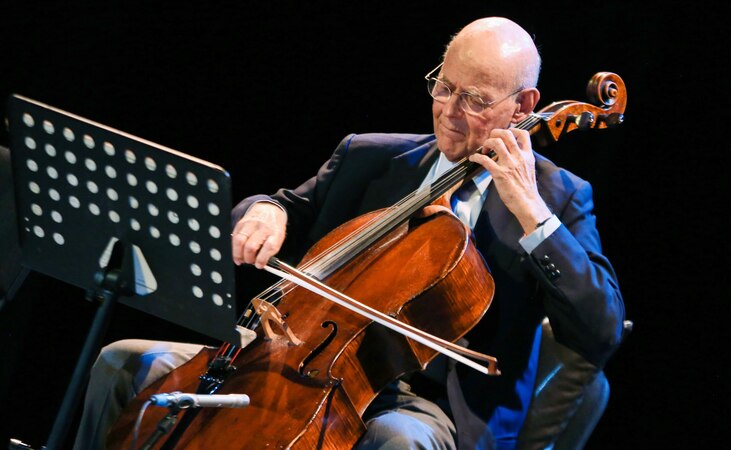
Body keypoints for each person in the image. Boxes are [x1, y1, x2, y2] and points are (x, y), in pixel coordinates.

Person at [74, 16, 625, 450]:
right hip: (292, 364)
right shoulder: (370, 156)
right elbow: (281, 204)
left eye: (476, 101)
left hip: (426, 407)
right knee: (123, 362)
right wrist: (265, 212)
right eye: (444, 87)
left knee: (397, 442)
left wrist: (530, 211)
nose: (450, 112)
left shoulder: (557, 197)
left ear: (524, 107)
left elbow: (599, 331)